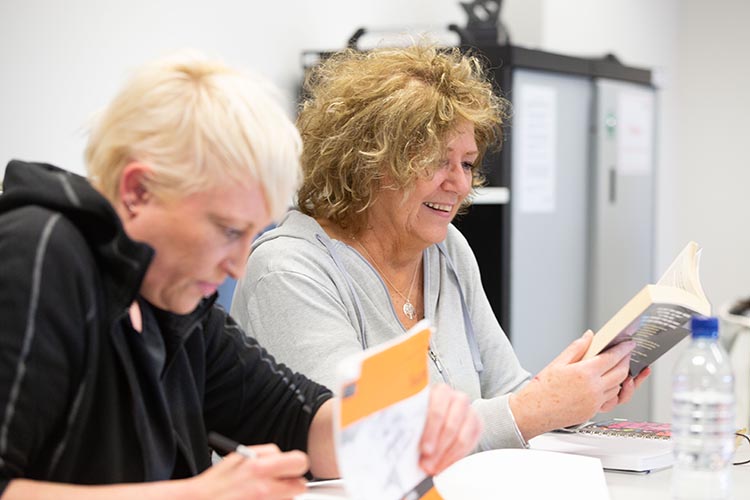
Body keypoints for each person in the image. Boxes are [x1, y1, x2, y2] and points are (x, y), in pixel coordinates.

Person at [0, 52, 482, 499]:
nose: (237, 265)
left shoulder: (171, 299)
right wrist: (197, 494)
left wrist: (405, 426)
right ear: (137, 190)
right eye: (228, 230)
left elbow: (296, 417)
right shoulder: (41, 255)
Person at [230, 44, 650, 451]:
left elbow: (506, 390)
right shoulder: (288, 270)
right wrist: (535, 409)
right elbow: (365, 442)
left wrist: (578, 395)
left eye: (466, 163)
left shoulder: (447, 249)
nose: (460, 184)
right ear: (367, 161)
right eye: (435, 160)